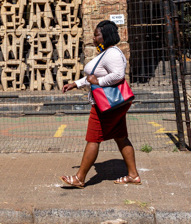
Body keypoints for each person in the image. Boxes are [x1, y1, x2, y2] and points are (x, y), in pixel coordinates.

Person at [59, 20, 140, 188]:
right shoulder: (107, 52)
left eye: (97, 35)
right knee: (120, 137)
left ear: (106, 36)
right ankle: (133, 175)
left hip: (105, 106)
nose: (94, 38)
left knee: (93, 139)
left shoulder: (112, 54)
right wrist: (76, 83)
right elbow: (93, 76)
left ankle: (80, 178)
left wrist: (99, 81)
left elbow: (118, 75)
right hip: (112, 104)